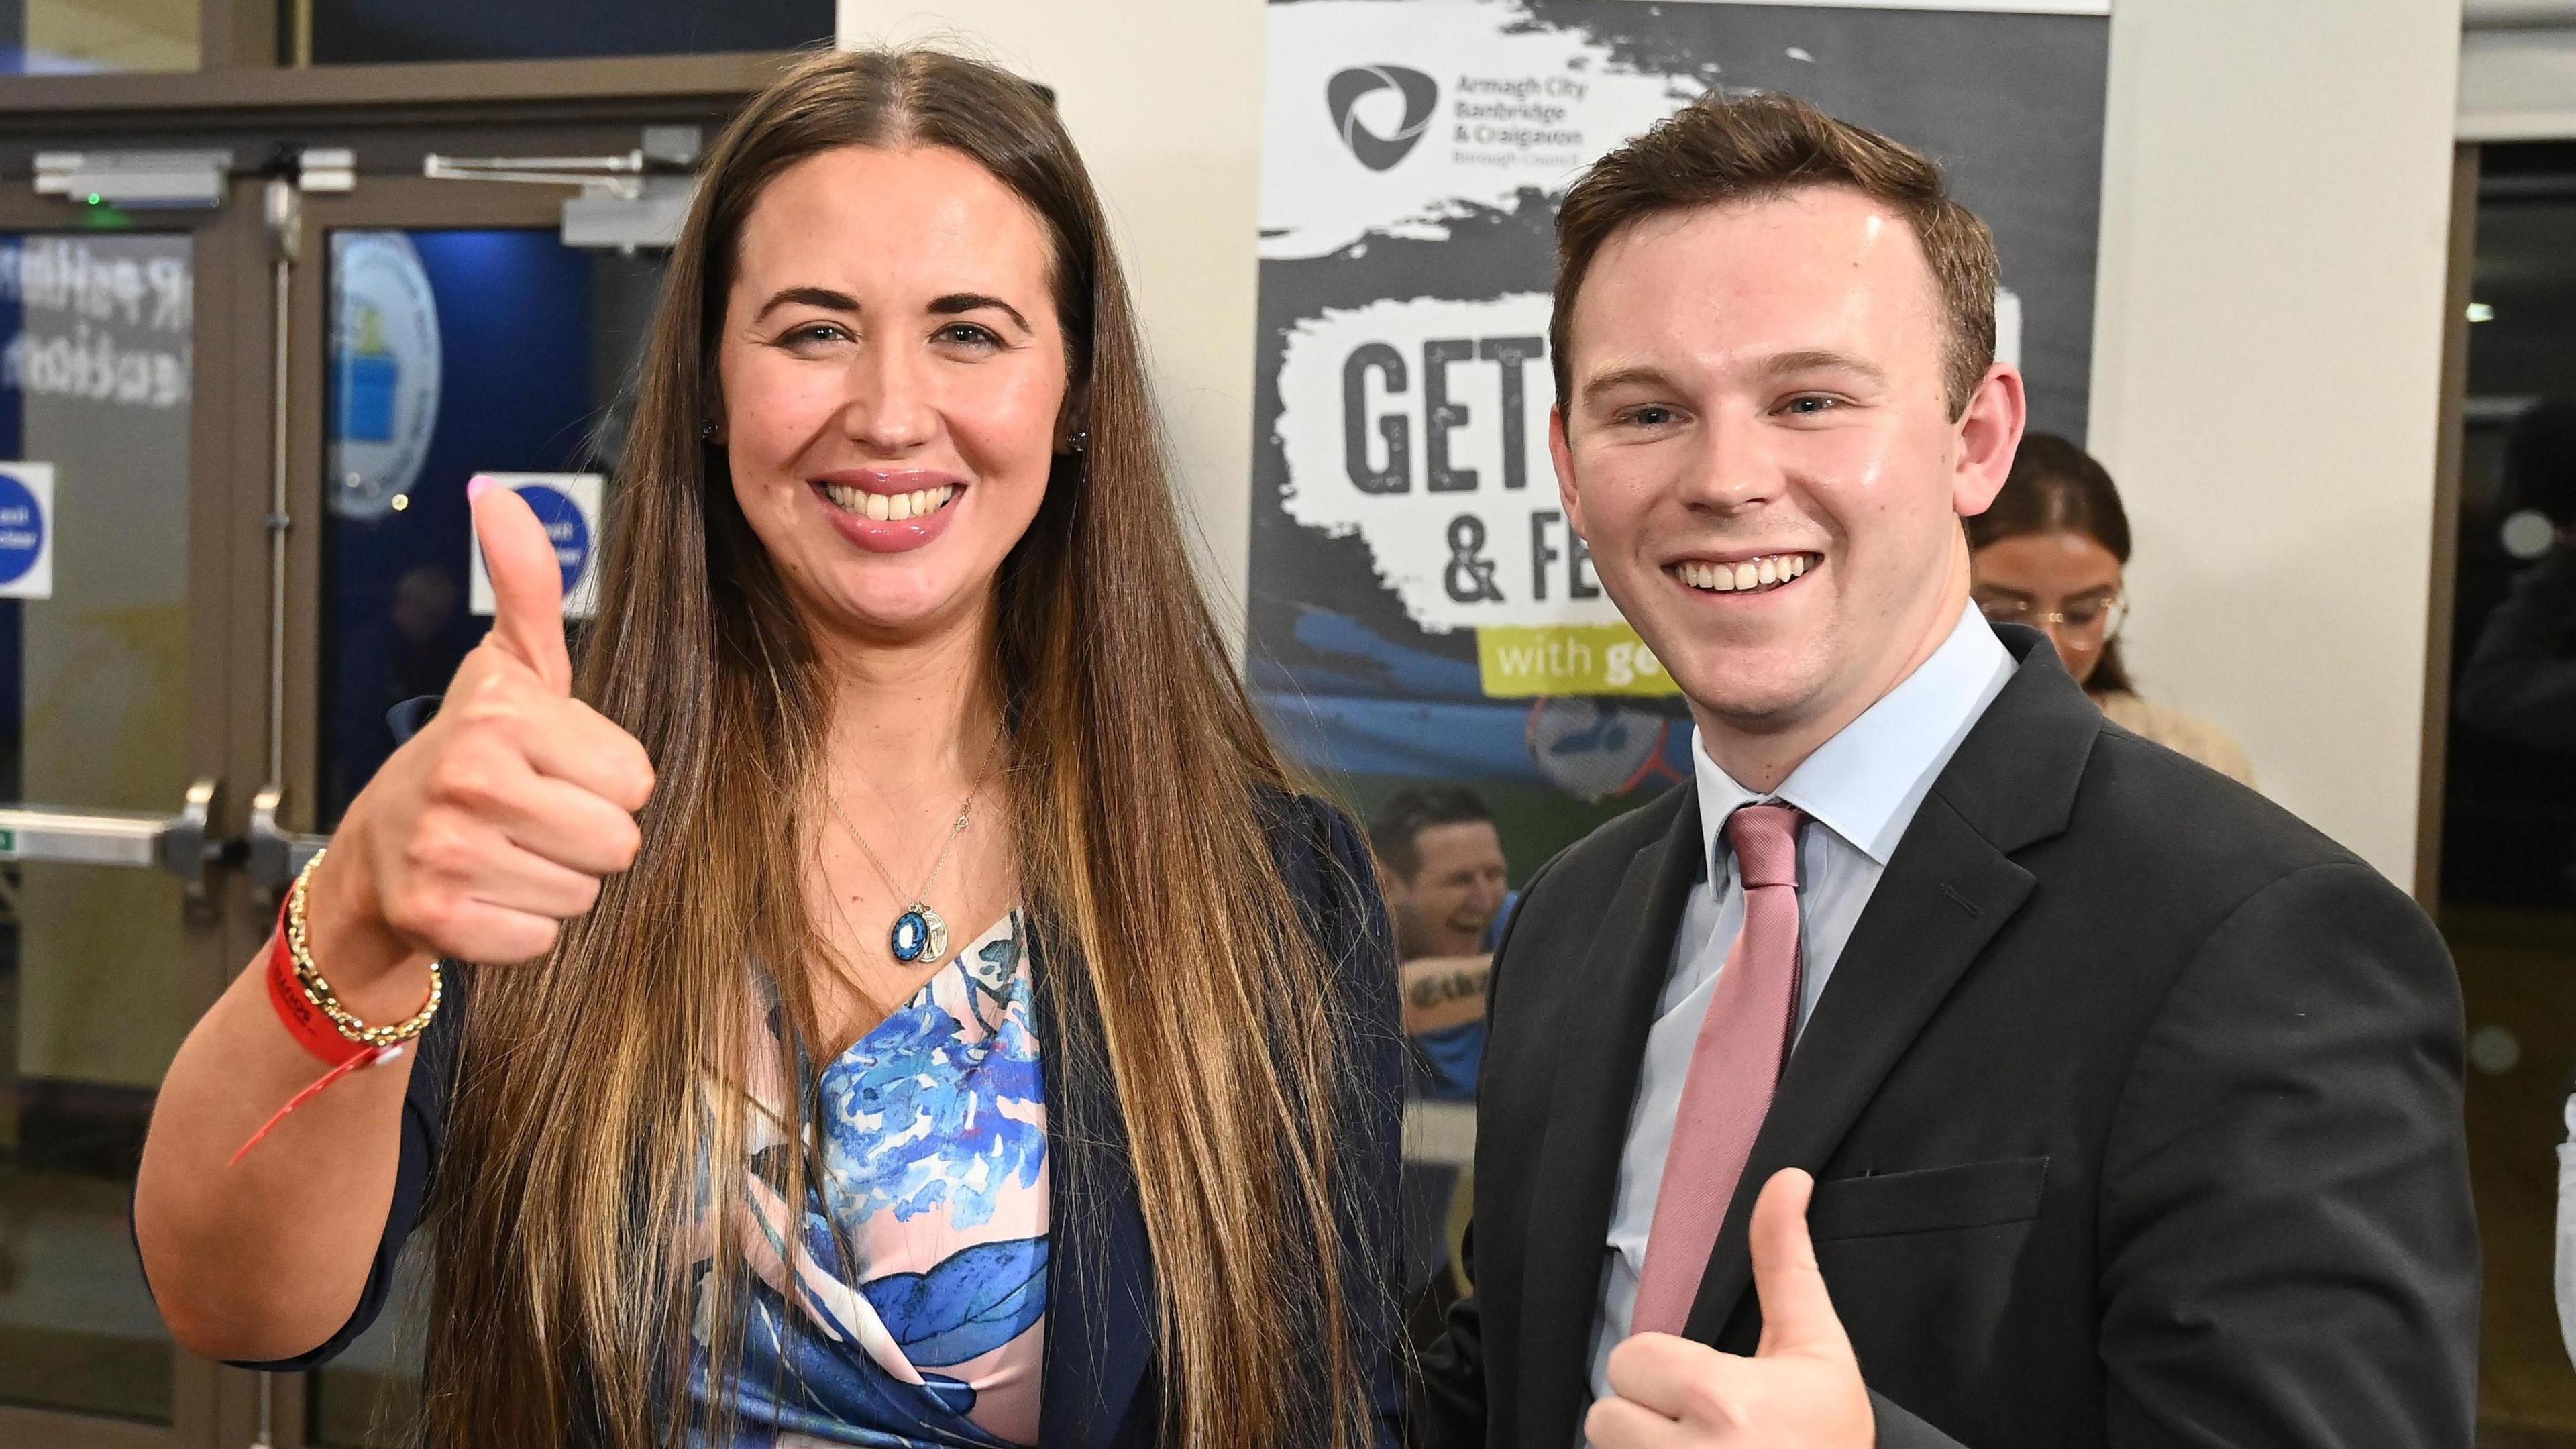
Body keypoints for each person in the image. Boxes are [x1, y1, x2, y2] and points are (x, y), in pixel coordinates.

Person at [130, 49, 1402, 1449]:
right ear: (712, 381)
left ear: (1078, 394)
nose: (891, 410)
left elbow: (1335, 1408)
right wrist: (359, 917)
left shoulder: (1271, 892)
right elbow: (237, 1307)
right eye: (812, 332)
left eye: (970, 332)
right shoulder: (546, 817)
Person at [1409, 90, 2477, 1449]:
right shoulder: (1569, 918)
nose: (1728, 477)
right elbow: (1513, 1376)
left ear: (1976, 440)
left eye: (1810, 398)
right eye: (1647, 411)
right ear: (1569, 464)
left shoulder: (2261, 943)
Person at [1966, 433, 2255, 786]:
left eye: (2083, 613)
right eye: (2003, 610)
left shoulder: (2194, 760)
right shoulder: (1900, 749)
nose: (2050, 648)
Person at [1371, 785, 1516, 1101]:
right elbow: (1379, 1002)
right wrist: (1537, 972)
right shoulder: (1350, 938)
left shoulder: (1526, 919)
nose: (1483, 900)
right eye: (1460, 881)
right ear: (1387, 884)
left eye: (1494, 875)